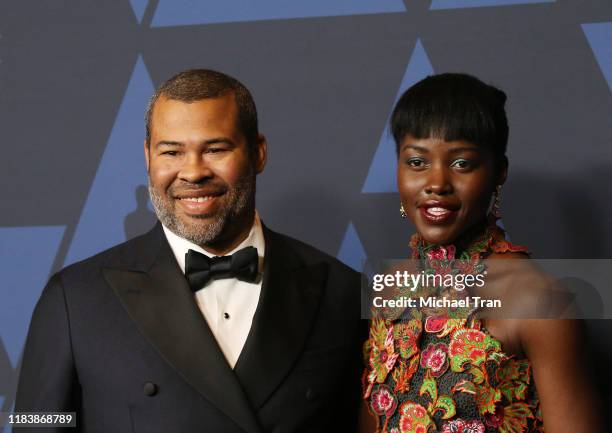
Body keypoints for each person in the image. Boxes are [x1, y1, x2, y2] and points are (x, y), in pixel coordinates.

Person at [15, 69, 363, 433]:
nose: (193, 172)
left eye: (215, 149)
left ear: (258, 153)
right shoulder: (73, 298)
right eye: (171, 151)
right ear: (148, 156)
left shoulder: (344, 292)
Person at [359, 73, 601, 433]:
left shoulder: (541, 301)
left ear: (498, 173)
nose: (436, 183)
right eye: (417, 162)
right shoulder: (389, 289)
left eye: (461, 164)